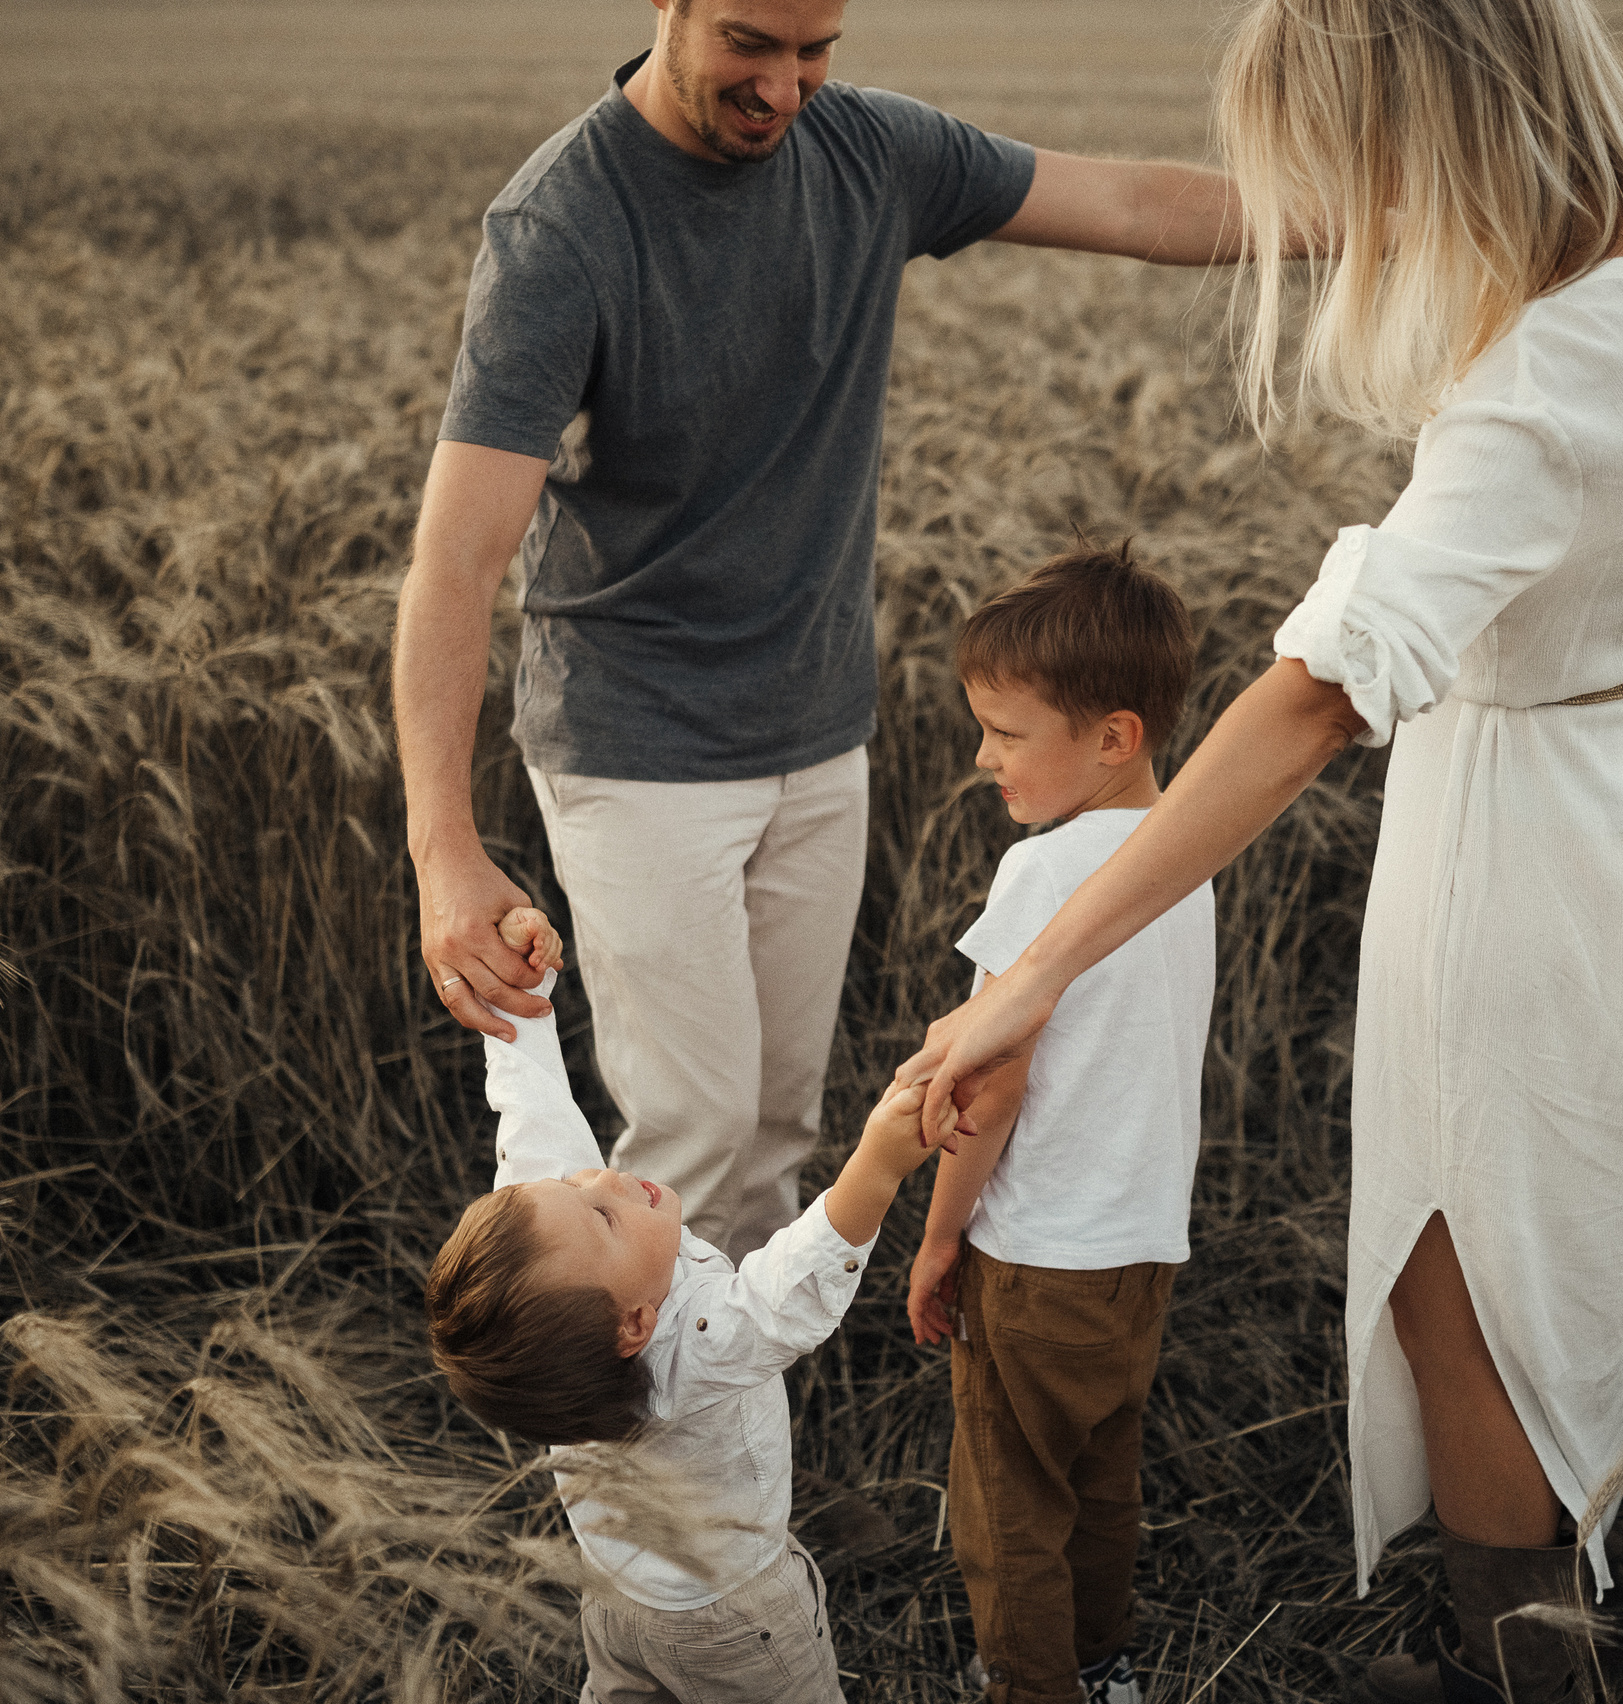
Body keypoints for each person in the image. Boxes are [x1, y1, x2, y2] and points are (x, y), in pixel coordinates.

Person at [894, 2, 1623, 1700]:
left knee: (1454, 1284)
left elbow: (1311, 703)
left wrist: (1031, 974)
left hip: (1523, 849)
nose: (1343, 212)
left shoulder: (1539, 396)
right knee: (1571, 1256)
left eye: (1354, 159)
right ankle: (1538, 1629)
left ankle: (1530, 1674)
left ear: (1433, 124)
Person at [394, 0, 1244, 1264]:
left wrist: (1416, 221)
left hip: (816, 734)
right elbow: (457, 561)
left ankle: (741, 1423)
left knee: (781, 1126)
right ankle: (626, 1455)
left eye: (816, 51)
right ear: (670, 10)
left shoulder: (870, 153)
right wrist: (443, 852)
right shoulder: (563, 226)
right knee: (691, 1135)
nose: (787, 88)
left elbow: (1132, 207)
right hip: (636, 748)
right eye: (751, 44)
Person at [424, 905, 942, 1704]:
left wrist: (524, 996)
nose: (598, 1176)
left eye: (572, 1185)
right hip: (733, 1618)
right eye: (600, 1214)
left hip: (615, 1591)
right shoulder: (691, 1348)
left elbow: (533, 1119)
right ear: (635, 1324)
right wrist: (877, 1163)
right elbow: (788, 1289)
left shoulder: (560, 1306)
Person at [900, 546, 1212, 1704]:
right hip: (1140, 1250)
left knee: (1008, 1507)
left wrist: (939, 1242)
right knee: (1100, 1482)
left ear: (1112, 737)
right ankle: (1104, 1667)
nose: (983, 756)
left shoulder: (1044, 878)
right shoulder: (1183, 858)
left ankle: (1033, 1688)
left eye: (1006, 732)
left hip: (1034, 1259)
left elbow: (991, 1086)